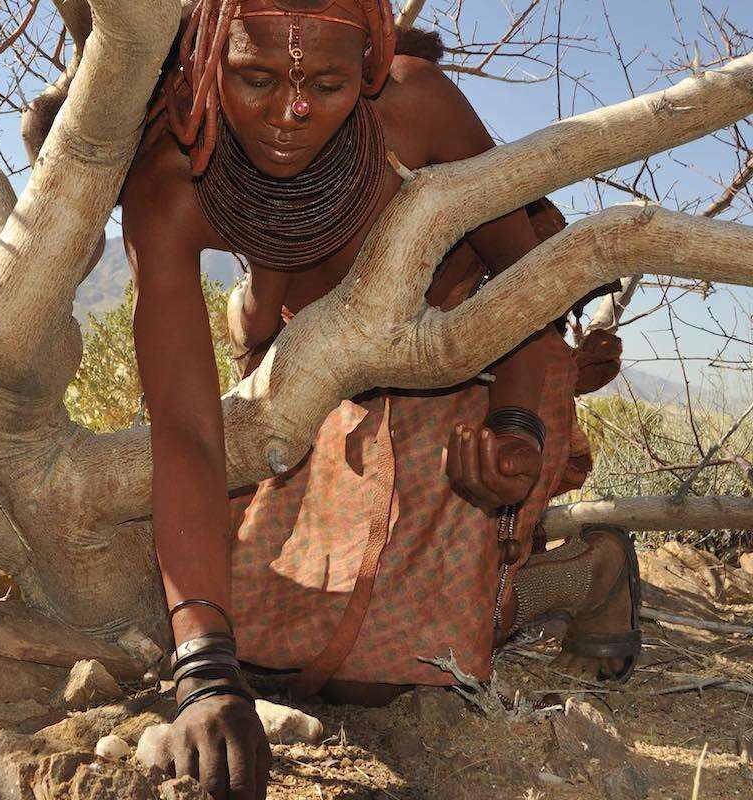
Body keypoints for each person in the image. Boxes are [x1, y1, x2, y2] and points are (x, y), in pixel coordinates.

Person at [119, 2, 640, 797]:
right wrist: (205, 675)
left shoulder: (416, 106)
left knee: (396, 671)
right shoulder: (170, 182)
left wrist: (515, 431)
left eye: (326, 84)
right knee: (260, 646)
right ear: (203, 58)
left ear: (366, 68)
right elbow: (186, 432)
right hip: (334, 394)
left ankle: (586, 574)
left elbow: (532, 299)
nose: (291, 112)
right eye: (255, 77)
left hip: (484, 380)